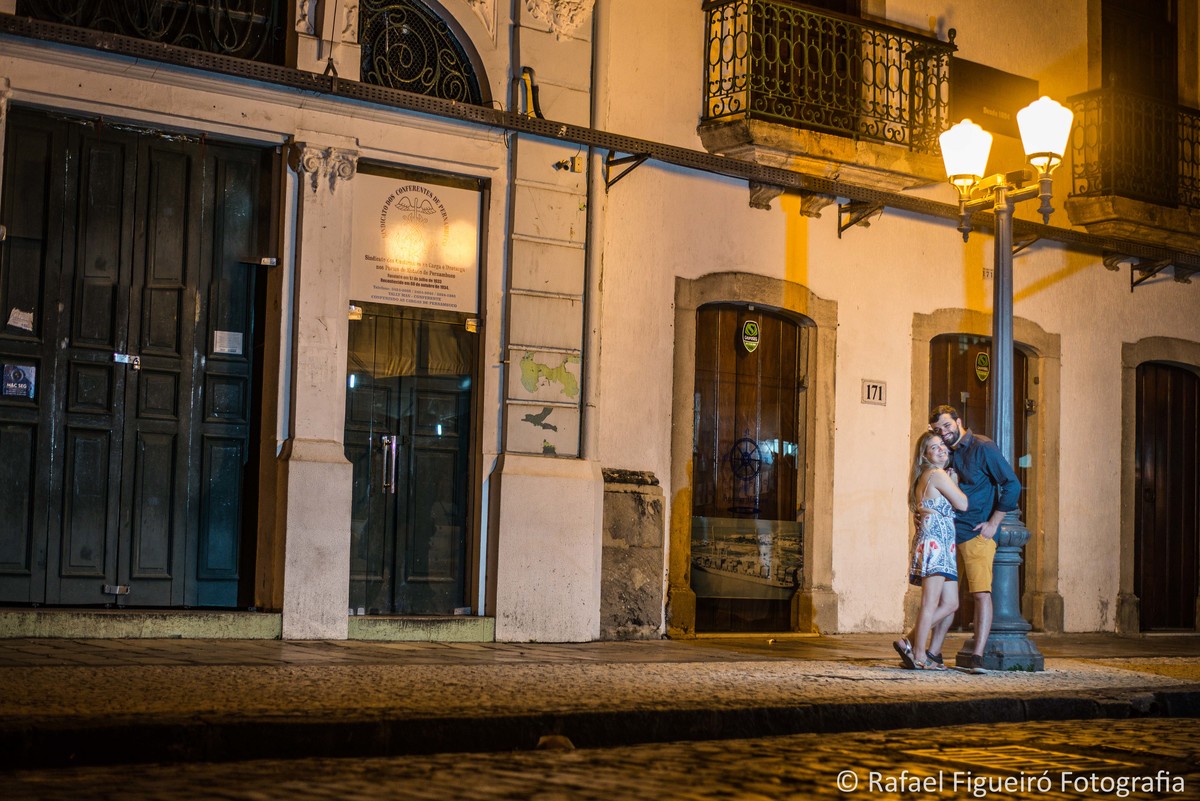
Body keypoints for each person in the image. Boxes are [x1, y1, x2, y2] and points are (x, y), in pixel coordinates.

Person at [927, 404, 1022, 673]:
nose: (943, 433)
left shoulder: (983, 447)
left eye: (946, 426)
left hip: (976, 533)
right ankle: (933, 652)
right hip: (949, 533)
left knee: (981, 594)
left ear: (958, 421)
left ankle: (978, 657)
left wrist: (994, 522)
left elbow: (1012, 483)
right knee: (946, 600)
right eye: (937, 430)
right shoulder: (948, 453)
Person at [894, 432, 967, 670]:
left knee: (951, 603)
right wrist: (954, 482)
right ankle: (918, 654)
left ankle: (909, 641)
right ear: (925, 455)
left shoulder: (930, 476)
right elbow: (963, 504)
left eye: (942, 445)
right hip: (936, 542)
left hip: (942, 542)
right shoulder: (936, 474)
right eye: (934, 448)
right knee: (930, 602)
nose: (941, 449)